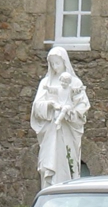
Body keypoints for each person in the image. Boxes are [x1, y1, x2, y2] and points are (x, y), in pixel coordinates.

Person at [30, 47, 90, 188]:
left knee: (66, 166)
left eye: (57, 63)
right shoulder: (46, 83)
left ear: (64, 62)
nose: (55, 67)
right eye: (52, 64)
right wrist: (49, 105)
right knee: (47, 167)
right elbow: (36, 107)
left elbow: (83, 105)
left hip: (67, 131)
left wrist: (71, 113)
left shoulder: (75, 83)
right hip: (50, 132)